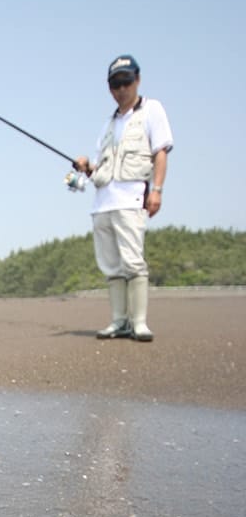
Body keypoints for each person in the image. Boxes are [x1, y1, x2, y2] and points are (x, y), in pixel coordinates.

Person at [75, 55, 173, 342]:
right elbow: (99, 169)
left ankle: (139, 323)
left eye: (126, 82)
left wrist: (157, 190)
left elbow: (161, 152)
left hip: (130, 200)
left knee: (133, 262)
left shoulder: (151, 110)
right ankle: (119, 321)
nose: (121, 89)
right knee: (110, 265)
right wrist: (86, 166)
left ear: (137, 80)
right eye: (115, 84)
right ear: (109, 88)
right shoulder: (108, 125)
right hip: (103, 203)